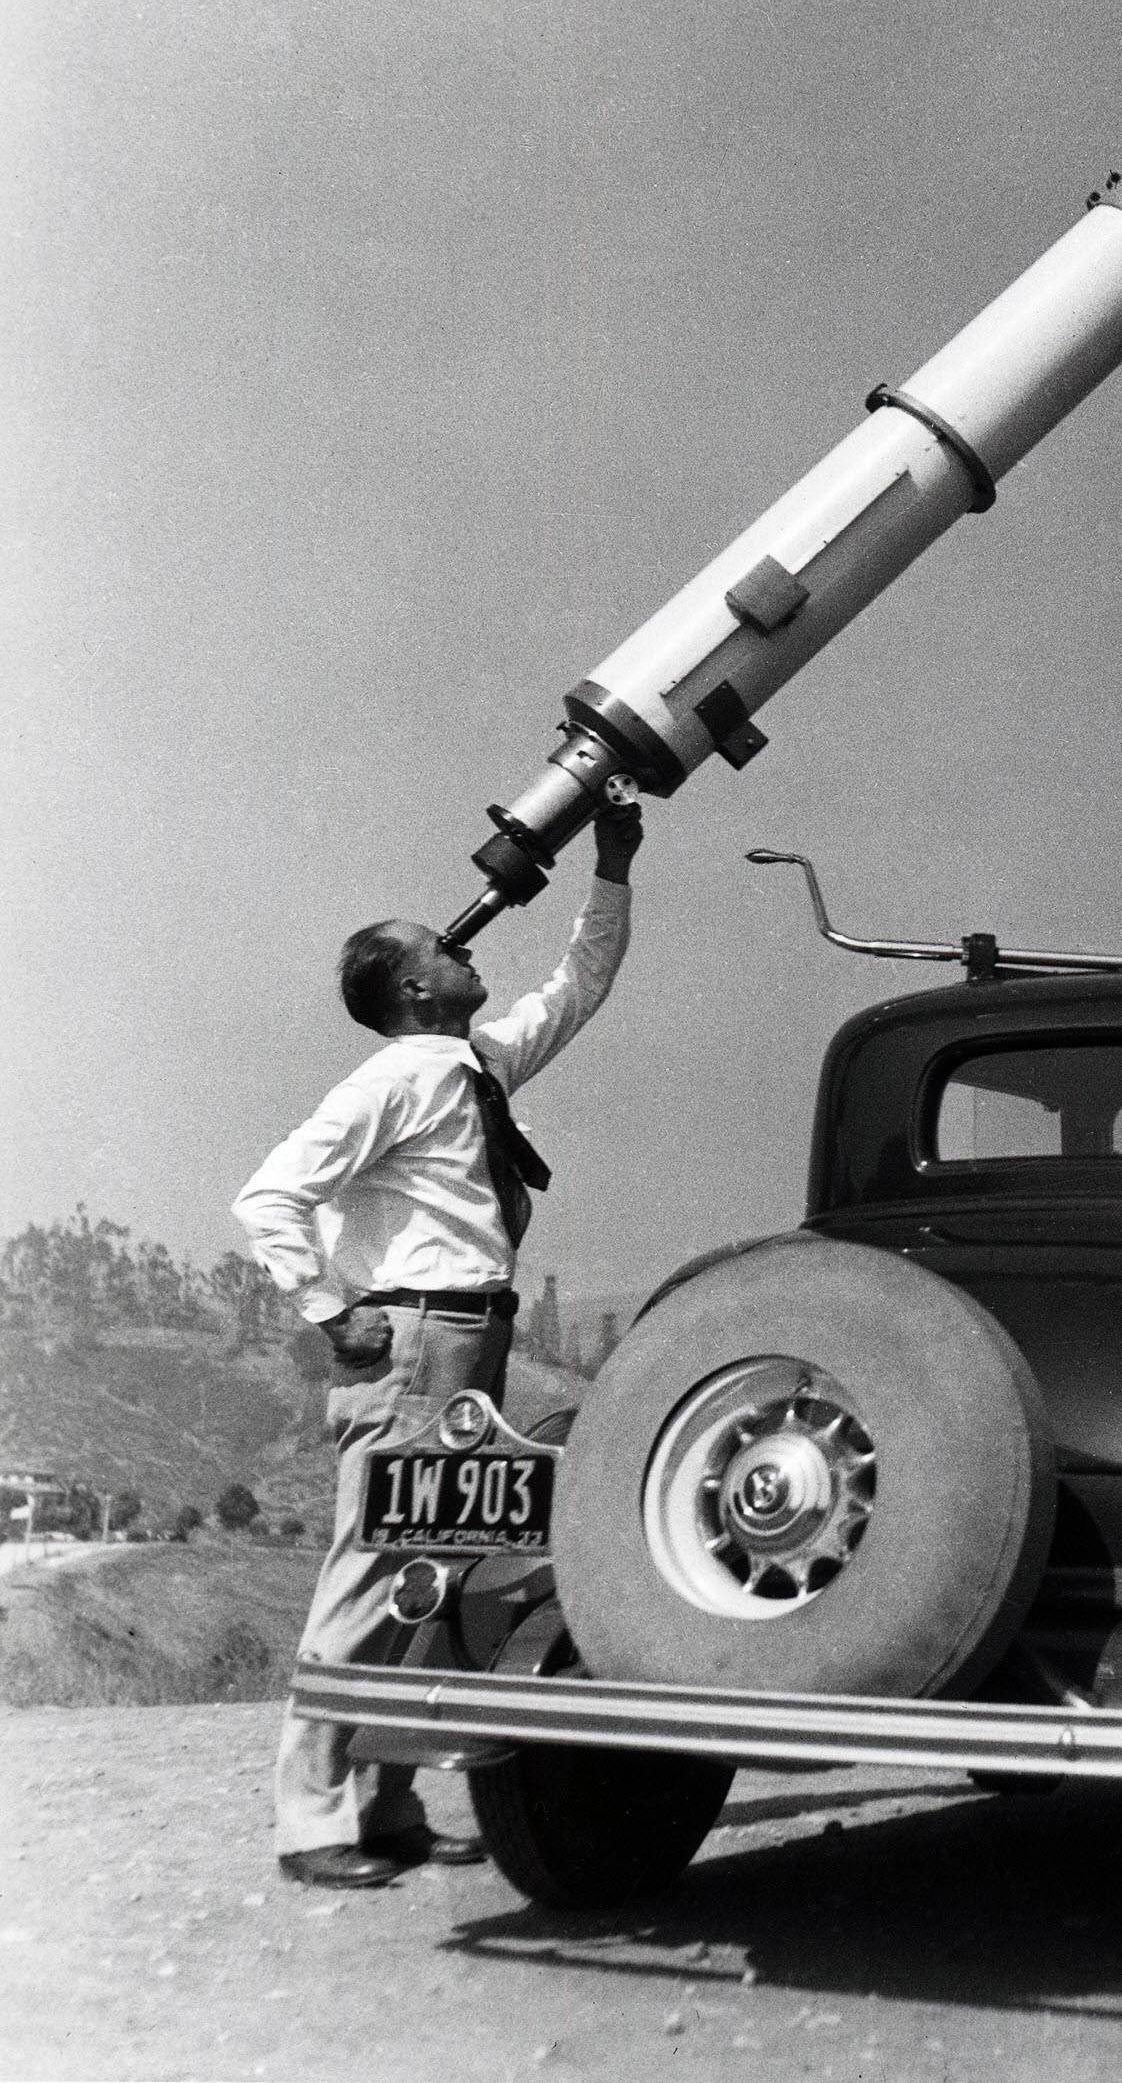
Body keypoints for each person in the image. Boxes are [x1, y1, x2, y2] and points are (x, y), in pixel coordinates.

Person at [232, 801, 644, 1888]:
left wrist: (611, 867)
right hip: (417, 1340)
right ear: (413, 988)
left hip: (473, 1338)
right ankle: (310, 1817)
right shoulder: (395, 1079)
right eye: (441, 945)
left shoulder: (472, 1066)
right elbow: (271, 1195)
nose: (463, 947)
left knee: (439, 1572)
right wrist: (328, 1305)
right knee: (374, 1569)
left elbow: (578, 989)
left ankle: (391, 1800)